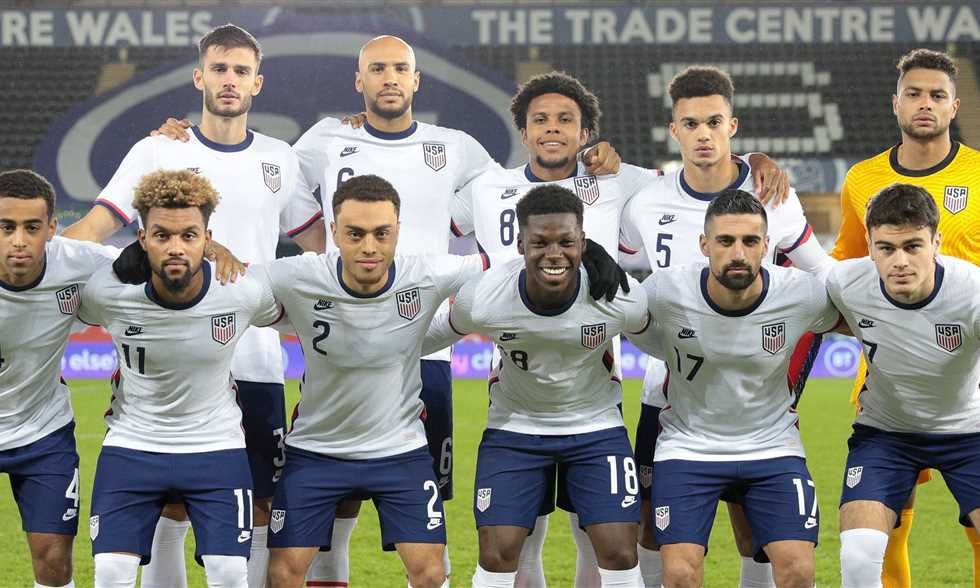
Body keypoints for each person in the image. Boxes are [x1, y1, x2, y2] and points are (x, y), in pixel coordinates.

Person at [451, 69, 791, 587]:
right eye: (540, 119)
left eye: (566, 120)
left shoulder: (620, 179)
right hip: (517, 390)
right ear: (523, 131)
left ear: (586, 132)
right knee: (519, 539)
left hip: (594, 390)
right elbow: (431, 216)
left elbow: (701, 173)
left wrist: (753, 163)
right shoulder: (487, 186)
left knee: (601, 538)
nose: (552, 128)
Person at [256, 174, 624, 588]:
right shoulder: (297, 275)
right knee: (283, 573)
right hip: (316, 450)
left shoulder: (427, 272)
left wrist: (590, 251)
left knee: (431, 573)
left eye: (381, 233)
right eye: (355, 234)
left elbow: (513, 256)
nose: (369, 247)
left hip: (400, 452)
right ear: (335, 232)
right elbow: (235, 283)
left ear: (398, 230)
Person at [62, 24, 324, 588]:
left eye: (241, 71)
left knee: (259, 504)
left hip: (255, 357)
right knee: (169, 504)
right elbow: (93, 229)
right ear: (199, 76)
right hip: (167, 353)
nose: (230, 80)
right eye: (220, 69)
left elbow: (321, 245)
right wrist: (34, 260)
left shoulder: (280, 159)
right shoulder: (160, 149)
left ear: (257, 82)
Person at [619, 65, 833, 587]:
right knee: (650, 525)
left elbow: (822, 276)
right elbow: (621, 274)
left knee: (751, 525)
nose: (703, 135)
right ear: (673, 130)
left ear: (732, 126)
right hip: (668, 393)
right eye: (690, 124)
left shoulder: (772, 196)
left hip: (753, 390)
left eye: (714, 122)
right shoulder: (646, 202)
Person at [424, 184, 648, 587]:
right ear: (520, 244)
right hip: (514, 429)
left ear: (582, 242)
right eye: (540, 243)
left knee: (620, 551)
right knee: (497, 553)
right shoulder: (486, 296)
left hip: (596, 426)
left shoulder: (618, 295)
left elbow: (661, 337)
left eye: (566, 242)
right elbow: (434, 334)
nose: (554, 254)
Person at [79, 169, 284, 588]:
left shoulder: (241, 291)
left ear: (208, 240)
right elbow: (57, 272)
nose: (175, 247)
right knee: (112, 572)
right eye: (162, 235)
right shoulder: (106, 291)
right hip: (132, 446)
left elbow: (297, 310)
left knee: (229, 573)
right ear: (142, 239)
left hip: (216, 448)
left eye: (188, 235)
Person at [830, 47, 980, 588]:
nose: (925, 104)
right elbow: (844, 267)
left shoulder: (979, 173)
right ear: (895, 103)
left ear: (954, 106)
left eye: (937, 95)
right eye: (913, 93)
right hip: (890, 375)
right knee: (887, 525)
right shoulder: (862, 179)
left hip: (967, 369)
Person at [0, 169, 119, 588]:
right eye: (6, 227)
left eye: (31, 227)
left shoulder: (80, 263)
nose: (19, 240)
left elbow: (154, 262)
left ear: (52, 228)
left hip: (42, 433)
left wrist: (212, 247)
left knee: (54, 561)